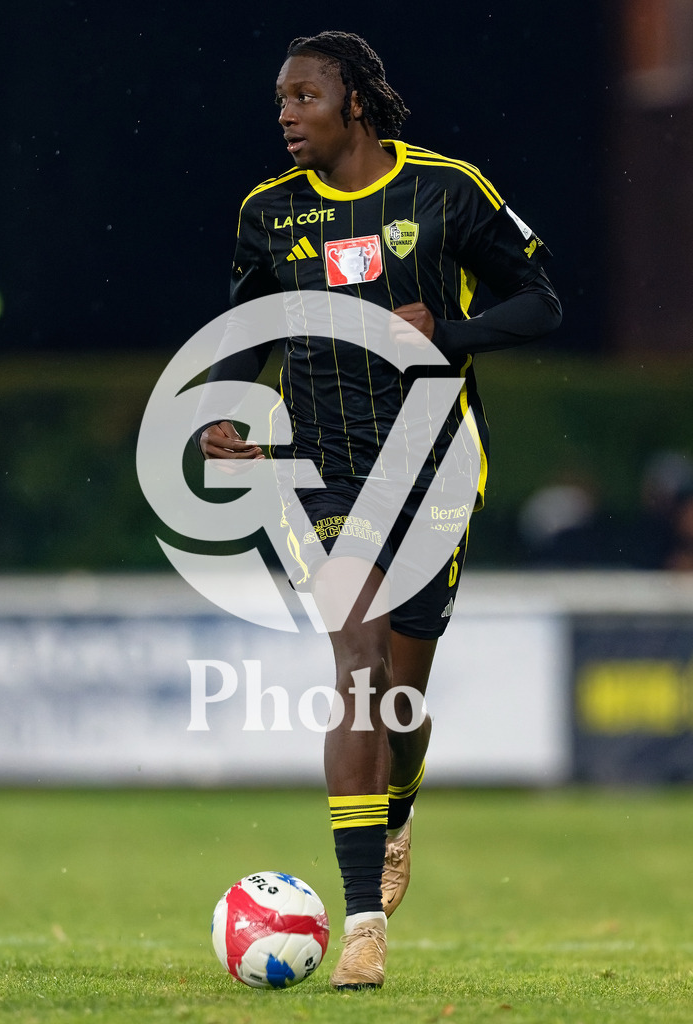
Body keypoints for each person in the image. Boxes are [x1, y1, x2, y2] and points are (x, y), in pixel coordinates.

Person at [198, 31, 561, 989]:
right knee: (357, 665)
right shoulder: (269, 213)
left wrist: (454, 332)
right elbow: (249, 329)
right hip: (317, 472)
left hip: (433, 467)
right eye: (281, 100)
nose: (287, 115)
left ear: (354, 99)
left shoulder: (447, 192)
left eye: (305, 97)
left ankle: (399, 806)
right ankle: (363, 924)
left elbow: (542, 303)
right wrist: (227, 409)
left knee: (401, 699)